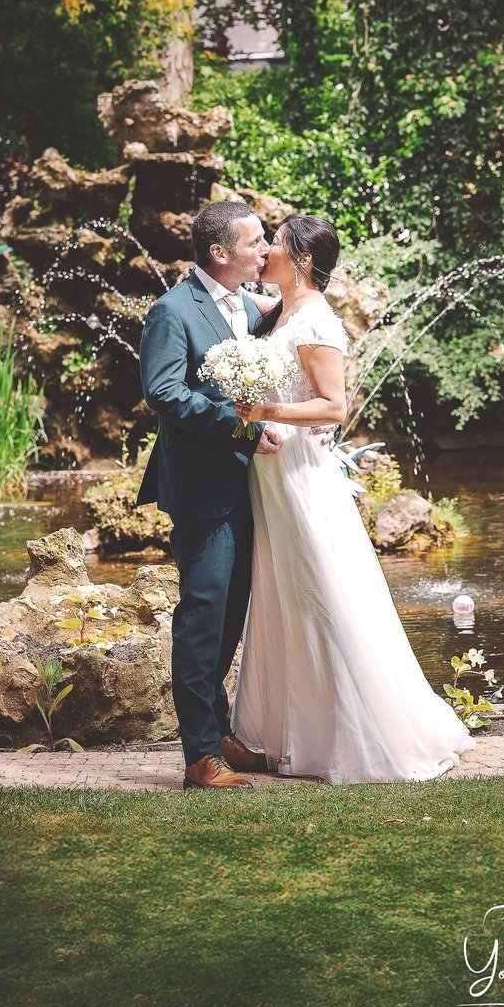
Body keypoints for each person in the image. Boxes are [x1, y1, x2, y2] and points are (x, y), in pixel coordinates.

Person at [229, 214, 477, 783]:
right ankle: (280, 736)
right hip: (271, 476)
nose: (265, 252)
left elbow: (333, 406)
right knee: (281, 596)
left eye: (276, 245)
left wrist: (265, 411)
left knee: (320, 592)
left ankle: (352, 735)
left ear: (303, 260)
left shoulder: (317, 321)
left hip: (300, 477)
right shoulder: (277, 312)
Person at [136, 197, 283, 790]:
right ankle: (199, 755)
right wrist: (242, 429)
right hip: (203, 490)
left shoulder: (249, 305)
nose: (265, 249)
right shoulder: (172, 311)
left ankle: (218, 731)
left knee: (230, 617)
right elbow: (164, 392)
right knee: (203, 616)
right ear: (220, 253)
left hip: (253, 488)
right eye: (255, 242)